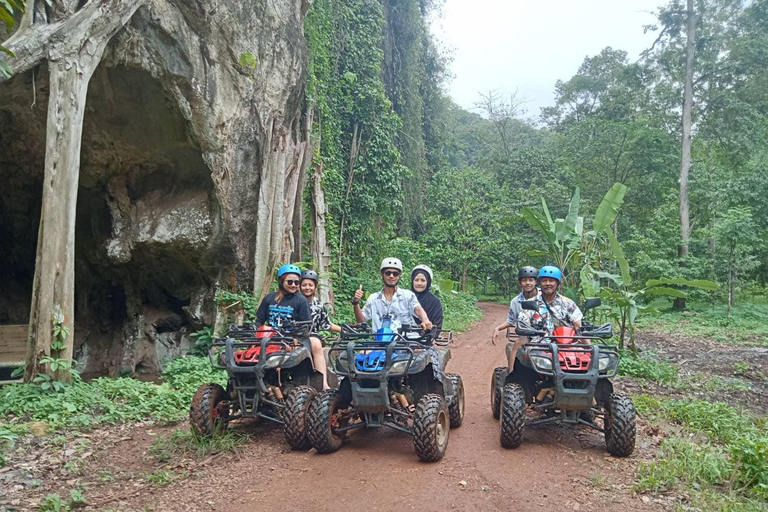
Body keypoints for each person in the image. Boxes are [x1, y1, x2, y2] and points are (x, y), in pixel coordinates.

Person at [255, 264, 330, 390]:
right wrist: (253, 336)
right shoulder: (269, 299)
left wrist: (292, 342)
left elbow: (305, 328)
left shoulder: (301, 301)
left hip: (295, 340)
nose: (294, 285)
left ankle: (322, 384)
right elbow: (259, 322)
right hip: (270, 339)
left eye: (297, 282)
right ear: (281, 281)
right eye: (290, 282)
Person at [352, 257, 433, 333]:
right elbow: (361, 320)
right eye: (388, 273)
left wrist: (425, 320)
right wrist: (356, 303)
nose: (391, 276)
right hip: (379, 342)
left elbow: (417, 309)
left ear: (399, 275)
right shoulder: (373, 299)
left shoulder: (407, 295)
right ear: (382, 274)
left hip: (406, 341)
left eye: (395, 273)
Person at [490, 266, 539, 372]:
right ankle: (512, 376)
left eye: (530, 280)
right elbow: (511, 320)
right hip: (526, 335)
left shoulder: (543, 297)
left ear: (536, 281)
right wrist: (498, 328)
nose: (527, 283)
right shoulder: (516, 301)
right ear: (520, 282)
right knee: (517, 344)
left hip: (545, 334)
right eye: (524, 280)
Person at [299, 269, 342, 336]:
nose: (307, 288)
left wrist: (343, 330)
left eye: (310, 285)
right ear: (300, 287)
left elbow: (327, 324)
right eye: (304, 285)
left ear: (315, 287)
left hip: (313, 339)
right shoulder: (295, 302)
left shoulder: (318, 305)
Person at [410, 264, 443, 339]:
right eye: (416, 280)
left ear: (428, 282)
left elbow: (437, 326)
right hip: (403, 338)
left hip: (425, 339)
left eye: (423, 280)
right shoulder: (405, 297)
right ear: (412, 281)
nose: (419, 283)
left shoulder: (435, 301)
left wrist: (430, 338)